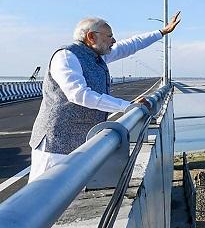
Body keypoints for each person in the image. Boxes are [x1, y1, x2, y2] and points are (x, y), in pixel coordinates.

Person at [28, 12, 182, 182]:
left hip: (81, 142)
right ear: (91, 37)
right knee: (42, 195)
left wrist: (162, 32)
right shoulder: (66, 56)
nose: (114, 41)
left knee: (68, 197)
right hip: (56, 142)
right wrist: (127, 106)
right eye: (109, 36)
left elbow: (131, 45)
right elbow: (79, 95)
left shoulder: (96, 56)